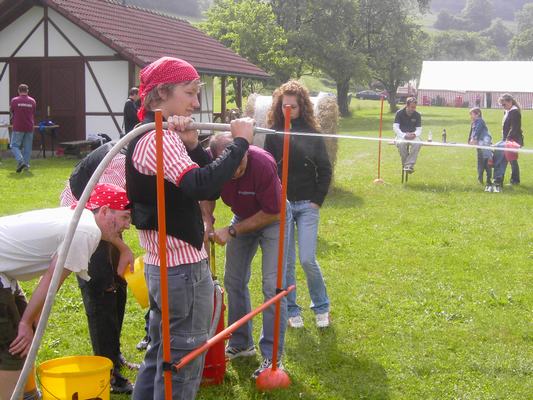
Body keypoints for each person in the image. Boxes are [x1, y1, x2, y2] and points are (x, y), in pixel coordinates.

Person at [127, 56, 254, 400]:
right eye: (190, 92)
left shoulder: (161, 137)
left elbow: (209, 190)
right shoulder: (157, 139)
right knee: (182, 363)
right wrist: (240, 142)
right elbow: (201, 185)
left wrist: (194, 144)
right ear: (159, 96)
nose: (196, 102)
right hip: (179, 270)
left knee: (160, 356)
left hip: (167, 267)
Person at [0, 183, 132, 400]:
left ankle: (29, 395)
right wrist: (24, 323)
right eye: (125, 217)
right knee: (11, 348)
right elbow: (51, 281)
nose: (127, 226)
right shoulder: (85, 232)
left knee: (25, 333)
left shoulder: (83, 217)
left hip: (6, 273)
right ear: (105, 211)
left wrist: (29, 320)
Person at [209, 133, 289, 378]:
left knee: (272, 287)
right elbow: (206, 193)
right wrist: (206, 219)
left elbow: (273, 212)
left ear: (246, 152)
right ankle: (241, 344)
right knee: (233, 281)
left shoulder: (262, 162)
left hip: (273, 218)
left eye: (240, 166)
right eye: (229, 169)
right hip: (242, 217)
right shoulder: (215, 165)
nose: (234, 174)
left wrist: (232, 230)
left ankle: (272, 358)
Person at [60, 142, 137, 394]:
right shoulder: (118, 164)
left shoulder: (135, 163)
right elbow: (99, 217)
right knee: (102, 290)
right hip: (84, 222)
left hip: (104, 220)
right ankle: (108, 373)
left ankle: (113, 354)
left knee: (120, 283)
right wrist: (122, 247)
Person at [264, 80, 332, 329]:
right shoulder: (273, 135)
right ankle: (292, 309)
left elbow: (325, 169)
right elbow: (268, 171)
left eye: (293, 105)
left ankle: (322, 306)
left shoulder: (313, 135)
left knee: (306, 258)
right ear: (278, 107)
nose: (288, 110)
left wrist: (316, 201)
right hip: (283, 206)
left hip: (307, 205)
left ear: (302, 107)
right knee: (286, 261)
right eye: (284, 106)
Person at [492, 93, 524, 193]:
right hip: (507, 138)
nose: (503, 106)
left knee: (510, 158)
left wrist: (507, 139)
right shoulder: (507, 111)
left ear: (510, 101)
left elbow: (514, 128)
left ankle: (511, 180)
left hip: (513, 139)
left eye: (504, 104)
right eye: (501, 105)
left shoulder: (515, 112)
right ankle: (515, 180)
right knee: (512, 159)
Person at [10, 83, 36, 173]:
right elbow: (33, 112)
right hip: (29, 126)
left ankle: (21, 161)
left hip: (18, 126)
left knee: (14, 146)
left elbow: (12, 112)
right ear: (27, 91)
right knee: (27, 148)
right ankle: (26, 166)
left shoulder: (14, 100)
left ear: (18, 91)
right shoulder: (32, 101)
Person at [393, 97, 422, 174]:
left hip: (413, 136)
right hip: (401, 136)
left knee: (418, 143)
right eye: (412, 107)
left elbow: (419, 129)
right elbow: (395, 128)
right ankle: (407, 166)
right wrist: (404, 135)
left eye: (415, 107)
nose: (414, 109)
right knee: (401, 144)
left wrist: (414, 134)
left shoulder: (417, 115)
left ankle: (408, 166)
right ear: (407, 105)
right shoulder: (399, 113)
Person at [467, 107, 493, 192]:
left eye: (472, 114)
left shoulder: (480, 121)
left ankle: (489, 180)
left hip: (485, 144)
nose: (470, 116)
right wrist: (469, 140)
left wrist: (474, 139)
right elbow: (472, 132)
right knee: (480, 162)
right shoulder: (474, 122)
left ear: (478, 113)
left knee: (487, 163)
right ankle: (480, 180)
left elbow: (477, 131)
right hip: (479, 145)